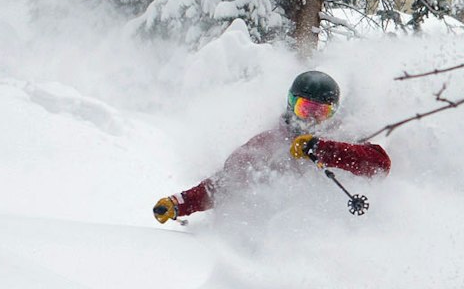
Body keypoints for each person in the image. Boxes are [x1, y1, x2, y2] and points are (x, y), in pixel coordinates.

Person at [152, 70, 390, 223]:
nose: (311, 119)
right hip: (280, 233)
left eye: (321, 112)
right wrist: (178, 203)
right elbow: (225, 184)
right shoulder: (266, 144)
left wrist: (322, 149)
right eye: (305, 109)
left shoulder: (342, 137)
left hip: (335, 231)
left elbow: (379, 164)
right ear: (291, 104)